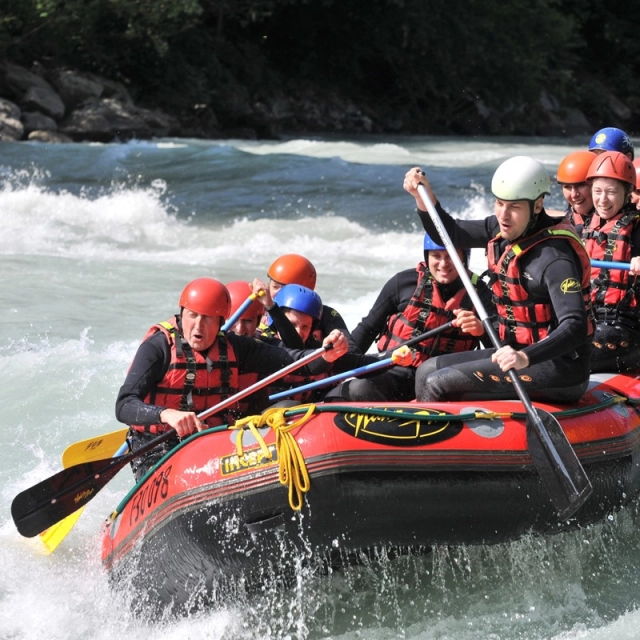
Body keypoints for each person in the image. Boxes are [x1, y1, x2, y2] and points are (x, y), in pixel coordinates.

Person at [403, 155, 595, 404]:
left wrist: (526, 357)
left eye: (514, 207)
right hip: (512, 353)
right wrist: (422, 196)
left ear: (537, 206)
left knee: (438, 382)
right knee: (426, 370)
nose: (503, 215)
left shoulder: (555, 258)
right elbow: (449, 232)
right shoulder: (504, 229)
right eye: (499, 204)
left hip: (560, 368)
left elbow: (575, 326)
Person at [116, 277, 348, 480]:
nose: (198, 325)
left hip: (212, 442)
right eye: (192, 316)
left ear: (219, 323)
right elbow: (124, 404)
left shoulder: (237, 347)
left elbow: (296, 363)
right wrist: (167, 415)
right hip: (158, 447)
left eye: (207, 318)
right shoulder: (158, 348)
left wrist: (327, 355)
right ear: (181, 314)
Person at [325, 233, 493, 402]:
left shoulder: (480, 294)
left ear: (464, 257)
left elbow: (498, 349)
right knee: (357, 388)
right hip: (397, 373)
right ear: (427, 257)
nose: (443, 263)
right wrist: (347, 362)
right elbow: (367, 329)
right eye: (436, 256)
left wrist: (481, 330)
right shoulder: (403, 283)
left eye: (451, 256)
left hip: (445, 381)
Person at [579, 151, 640, 372]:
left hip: (625, 330)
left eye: (611, 192)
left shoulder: (637, 230)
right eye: (597, 191)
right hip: (589, 321)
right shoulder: (586, 228)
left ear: (628, 193)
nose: (602, 200)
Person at [253, 253, 359, 351]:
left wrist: (335, 346)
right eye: (275, 287)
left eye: (287, 290)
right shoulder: (256, 314)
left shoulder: (326, 315)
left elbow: (352, 353)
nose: (279, 295)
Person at [555, 150, 597, 226]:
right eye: (567, 187)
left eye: (581, 185)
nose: (574, 195)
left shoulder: (620, 226)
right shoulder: (568, 221)